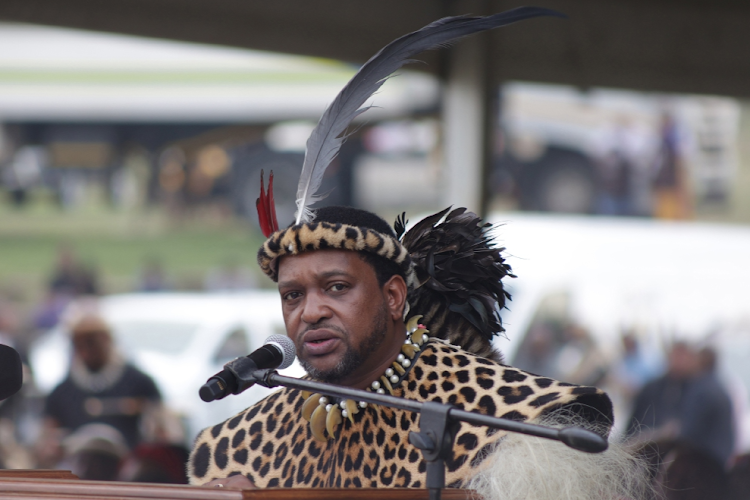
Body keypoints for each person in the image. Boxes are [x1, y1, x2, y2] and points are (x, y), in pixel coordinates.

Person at [188, 9, 649, 498]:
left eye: (337, 287)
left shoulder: (518, 421)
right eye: (292, 295)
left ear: (393, 296)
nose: (311, 311)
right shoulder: (238, 446)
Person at [42, 314, 162, 451]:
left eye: (92, 342)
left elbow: (160, 429)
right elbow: (49, 437)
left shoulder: (140, 384)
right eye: (79, 343)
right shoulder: (61, 393)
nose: (86, 351)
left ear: (108, 339)